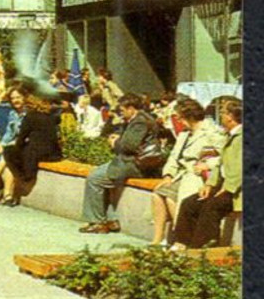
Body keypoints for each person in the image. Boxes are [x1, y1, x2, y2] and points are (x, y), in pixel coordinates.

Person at [79, 94, 162, 234]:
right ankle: (111, 220)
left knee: (94, 178)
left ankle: (97, 222)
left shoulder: (140, 122)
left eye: (122, 110)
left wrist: (115, 142)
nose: (121, 113)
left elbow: (129, 146)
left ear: (131, 108)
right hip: (132, 162)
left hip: (133, 164)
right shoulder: (140, 119)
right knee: (103, 177)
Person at [150, 97, 225, 246]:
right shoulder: (184, 134)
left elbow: (226, 156)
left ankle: (181, 239)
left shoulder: (212, 132)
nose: (177, 119)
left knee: (172, 198)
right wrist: (168, 174)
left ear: (189, 116)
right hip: (183, 174)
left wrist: (208, 164)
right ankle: (158, 240)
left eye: (179, 116)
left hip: (198, 176)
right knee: (157, 195)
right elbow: (174, 156)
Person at [172, 96, 242, 249]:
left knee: (210, 207)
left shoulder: (242, 137)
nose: (221, 116)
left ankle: (203, 248)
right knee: (190, 203)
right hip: (223, 185)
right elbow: (220, 165)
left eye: (223, 113)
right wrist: (210, 184)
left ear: (230, 117)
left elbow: (241, 169)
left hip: (237, 189)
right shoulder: (229, 135)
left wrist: (227, 188)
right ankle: (182, 243)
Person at [0, 91, 61, 206]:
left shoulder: (30, 117)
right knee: (11, 155)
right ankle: (4, 191)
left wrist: (16, 148)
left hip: (36, 152)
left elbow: (21, 138)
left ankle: (7, 192)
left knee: (9, 154)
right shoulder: (52, 117)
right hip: (53, 153)